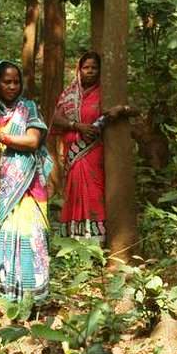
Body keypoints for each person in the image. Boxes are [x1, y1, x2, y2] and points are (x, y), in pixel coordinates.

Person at [0, 60, 52, 302]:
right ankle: (8, 297)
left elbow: (33, 141)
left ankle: (34, 296)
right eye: (6, 81)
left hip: (29, 186)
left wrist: (0, 136)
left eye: (16, 82)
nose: (12, 86)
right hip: (1, 187)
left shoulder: (29, 108)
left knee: (32, 236)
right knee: (6, 237)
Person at [51, 51, 130, 243]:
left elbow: (132, 109)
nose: (90, 71)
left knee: (94, 193)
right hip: (73, 153)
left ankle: (94, 241)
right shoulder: (69, 94)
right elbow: (55, 118)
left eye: (94, 68)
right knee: (73, 193)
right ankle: (72, 239)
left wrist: (121, 109)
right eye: (86, 67)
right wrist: (76, 126)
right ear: (79, 70)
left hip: (94, 152)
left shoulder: (106, 92)